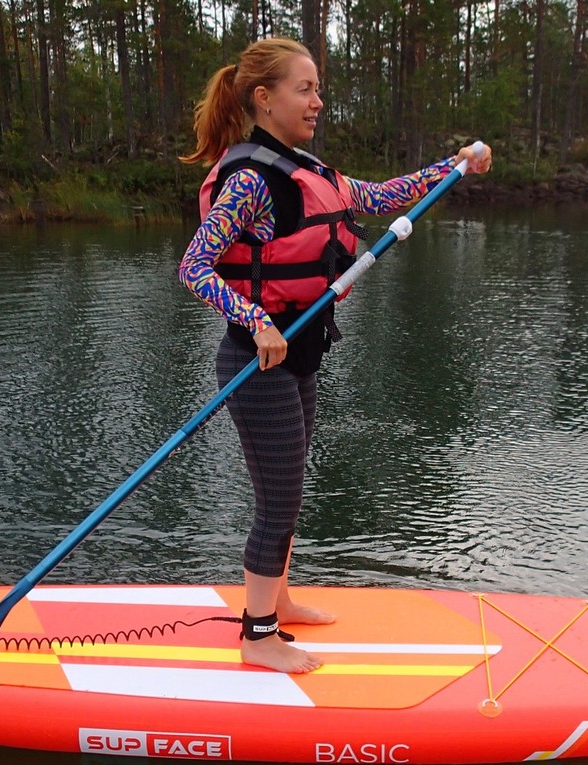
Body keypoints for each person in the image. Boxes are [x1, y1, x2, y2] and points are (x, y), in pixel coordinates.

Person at [178, 37, 491, 674]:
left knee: (287, 488)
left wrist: (451, 166)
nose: (318, 101)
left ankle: (280, 599)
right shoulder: (248, 181)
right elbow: (194, 267)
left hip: (300, 356)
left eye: (319, 88)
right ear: (264, 99)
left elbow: (381, 196)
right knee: (279, 498)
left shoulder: (312, 172)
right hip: (255, 361)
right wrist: (254, 319)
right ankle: (257, 635)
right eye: (305, 89)